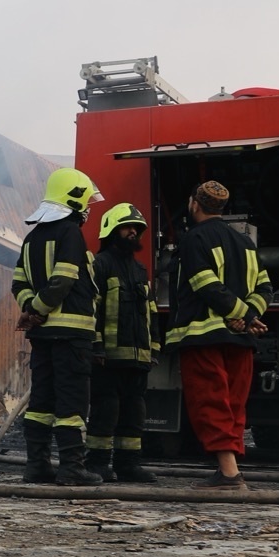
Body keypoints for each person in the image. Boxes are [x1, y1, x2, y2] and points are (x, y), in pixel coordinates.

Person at [163, 180, 272, 488]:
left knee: (211, 402)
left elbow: (203, 283)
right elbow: (266, 288)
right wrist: (247, 315)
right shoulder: (246, 244)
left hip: (204, 337)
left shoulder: (193, 239)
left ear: (194, 204)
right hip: (240, 341)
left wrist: (241, 315)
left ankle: (229, 473)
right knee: (234, 404)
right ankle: (229, 468)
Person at [11, 168, 103, 485]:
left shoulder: (32, 236)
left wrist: (29, 309)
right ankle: (72, 468)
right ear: (74, 197)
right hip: (71, 336)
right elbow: (63, 280)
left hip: (43, 335)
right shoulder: (71, 234)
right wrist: (37, 309)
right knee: (72, 402)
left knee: (41, 401)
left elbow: (18, 282)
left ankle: (36, 465)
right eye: (86, 200)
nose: (89, 208)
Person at [86, 203, 160, 483]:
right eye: (128, 227)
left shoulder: (140, 270)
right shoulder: (100, 265)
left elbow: (150, 312)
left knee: (134, 412)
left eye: (137, 229)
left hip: (138, 358)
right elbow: (93, 309)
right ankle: (97, 463)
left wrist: (153, 349)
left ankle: (129, 464)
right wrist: (96, 346)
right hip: (108, 358)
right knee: (106, 410)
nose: (133, 233)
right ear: (111, 230)